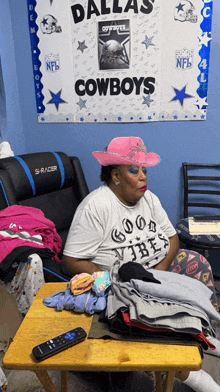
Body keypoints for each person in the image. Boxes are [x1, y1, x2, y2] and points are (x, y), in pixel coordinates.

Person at [62, 136, 220, 392]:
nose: (143, 177)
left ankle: (203, 334)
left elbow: (172, 238)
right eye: (134, 170)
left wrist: (161, 270)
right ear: (115, 175)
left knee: (197, 262)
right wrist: (108, 276)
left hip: (157, 271)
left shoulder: (150, 200)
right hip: (126, 284)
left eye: (144, 170)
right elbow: (70, 260)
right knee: (155, 324)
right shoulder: (96, 207)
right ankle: (194, 376)